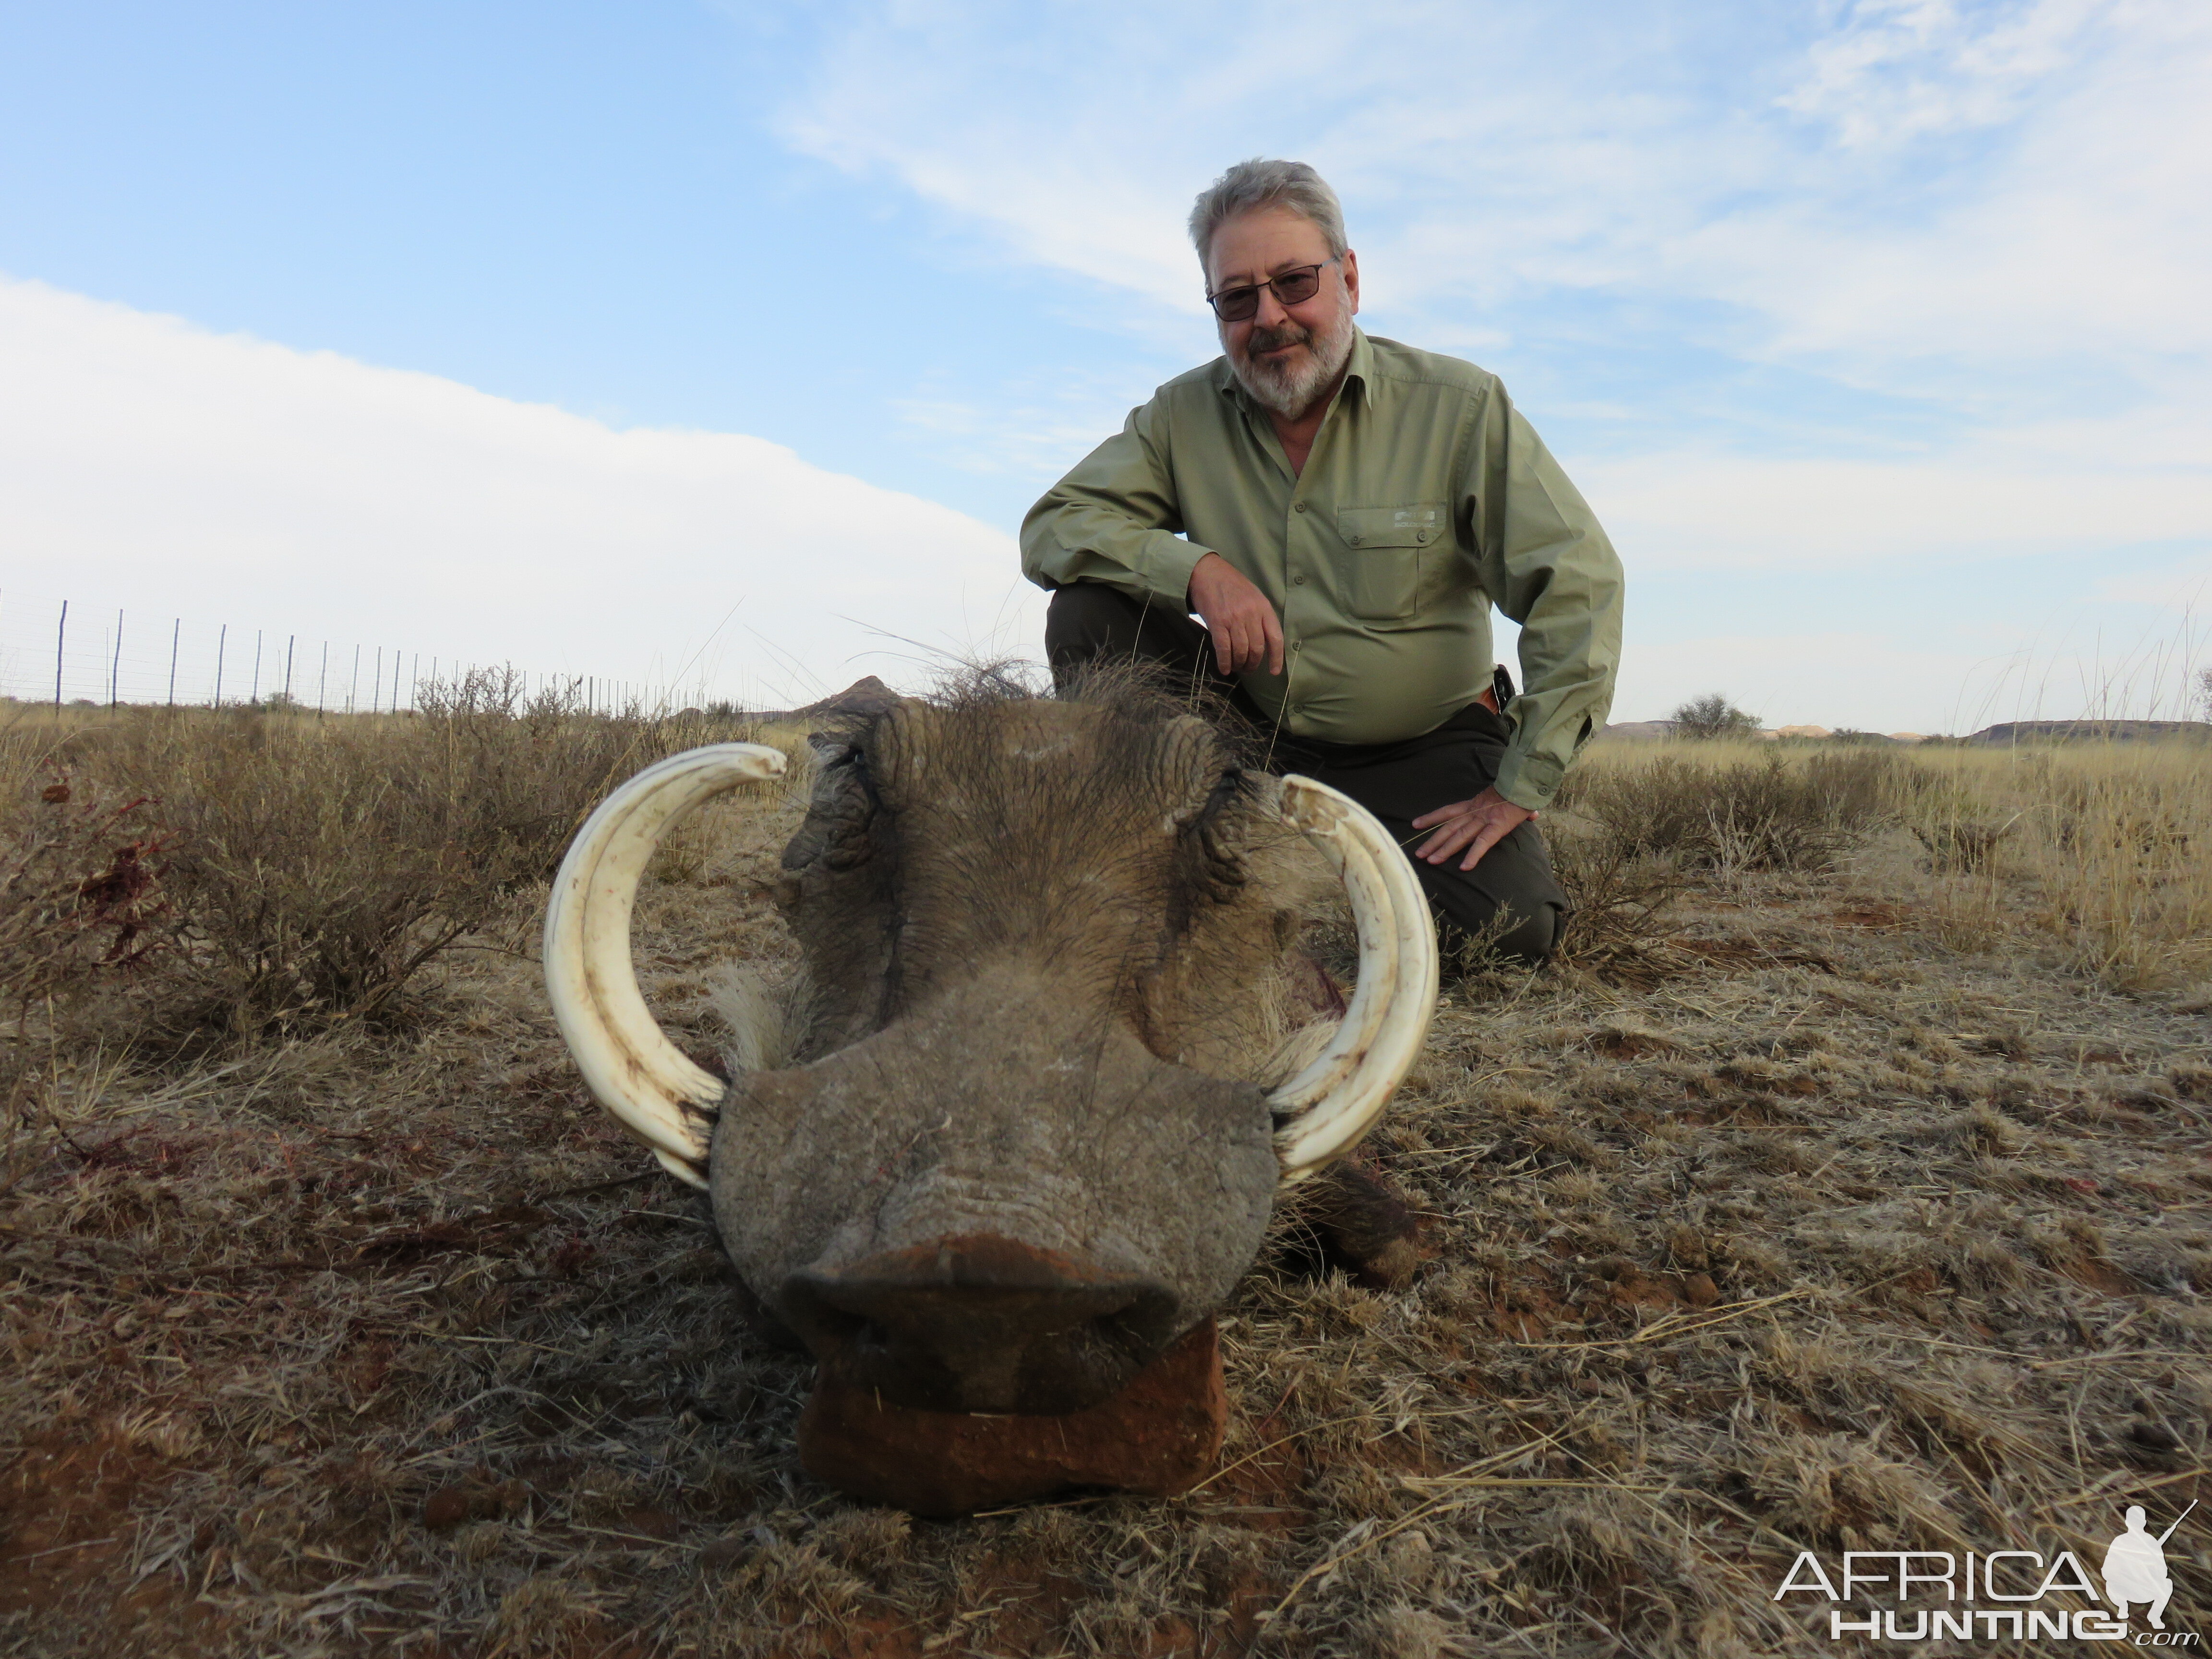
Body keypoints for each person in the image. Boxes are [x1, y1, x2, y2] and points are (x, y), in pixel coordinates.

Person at [1021, 158, 1624, 966]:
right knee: (1088, 609)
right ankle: (1171, 849)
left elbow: (1577, 584)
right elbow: (1055, 524)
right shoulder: (1178, 417)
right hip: (1245, 738)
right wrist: (1198, 570)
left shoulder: (1459, 407)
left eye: (1293, 282)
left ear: (1347, 279)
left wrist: (1518, 786)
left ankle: (1288, 882)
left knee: (1507, 931)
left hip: (1423, 748)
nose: (1268, 317)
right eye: (1237, 298)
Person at [2102, 1505, 2176, 1628]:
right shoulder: (2120, 1541)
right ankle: (2123, 1608)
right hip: (2123, 1590)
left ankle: (2155, 1616)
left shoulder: (2151, 1542)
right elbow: (2107, 1570)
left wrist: (2148, 1567)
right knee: (2110, 1584)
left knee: (2167, 1584)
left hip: (2144, 1590)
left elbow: (2163, 1571)